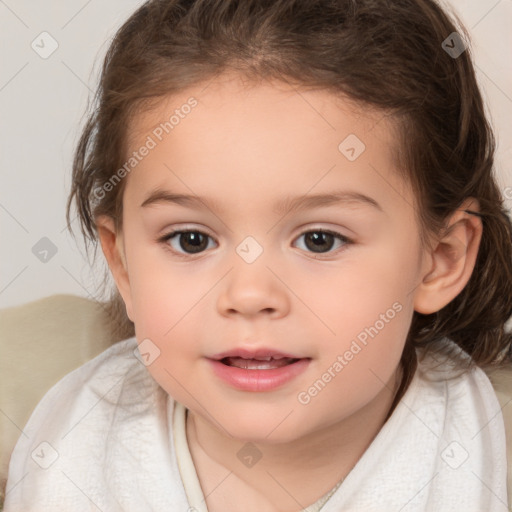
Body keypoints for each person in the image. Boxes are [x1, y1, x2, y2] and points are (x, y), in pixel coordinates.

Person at [4, 0, 512, 510]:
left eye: (320, 239)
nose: (249, 295)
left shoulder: (493, 451)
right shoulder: (32, 405)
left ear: (440, 260)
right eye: (191, 240)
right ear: (124, 265)